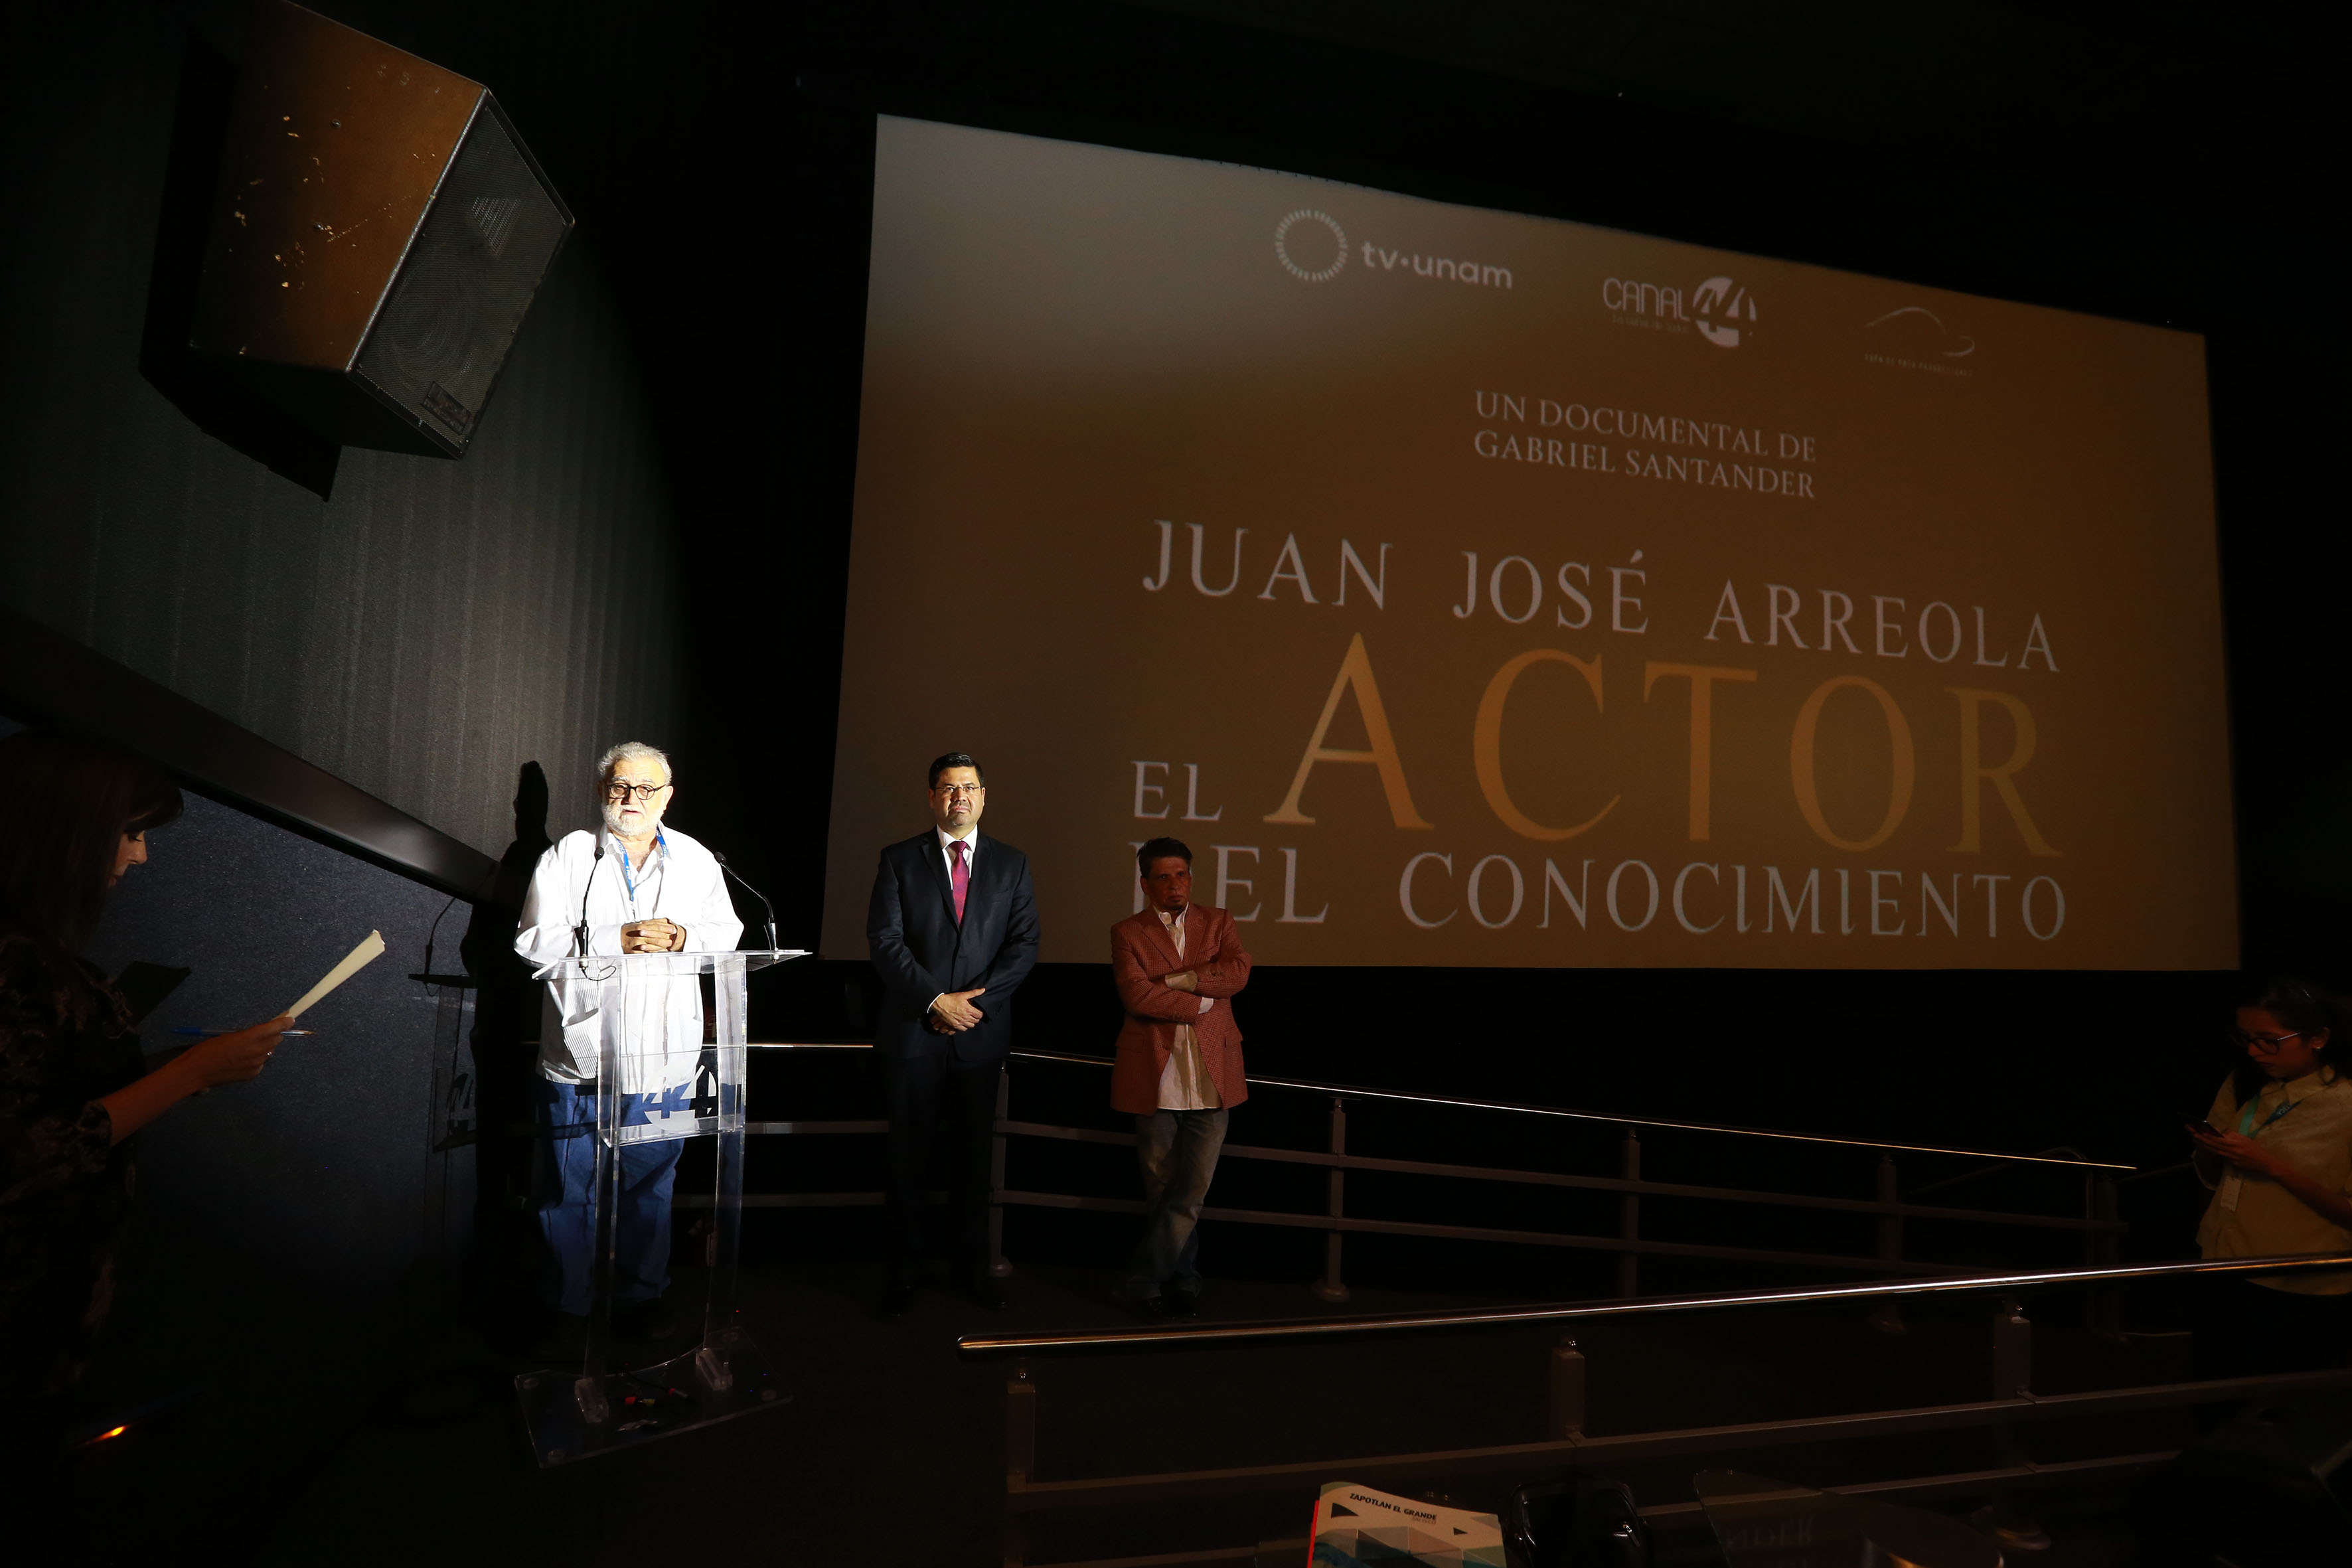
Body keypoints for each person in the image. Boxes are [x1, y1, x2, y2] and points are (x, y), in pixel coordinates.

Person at [0, 729, 288, 1439]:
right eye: (129, 832)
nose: (140, 855)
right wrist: (190, 1072)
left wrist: (178, 1070)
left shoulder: (42, 956)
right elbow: (19, 1151)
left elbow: (62, 1101)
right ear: (67, 828)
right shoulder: (14, 964)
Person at [514, 742, 742, 1350]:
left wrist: (684, 936)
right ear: (601, 791)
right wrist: (615, 938)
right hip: (583, 1060)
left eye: (646, 789)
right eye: (620, 786)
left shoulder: (696, 859)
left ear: (667, 797)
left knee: (650, 1189)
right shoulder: (568, 855)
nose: (631, 798)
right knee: (568, 1193)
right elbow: (533, 941)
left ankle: (640, 1299)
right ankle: (566, 1305)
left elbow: (728, 934)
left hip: (662, 1062)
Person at [866, 752, 1039, 1314]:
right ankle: (902, 1275)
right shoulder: (898, 859)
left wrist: (971, 1007)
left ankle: (972, 1271)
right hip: (913, 1033)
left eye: (968, 787)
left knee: (973, 1160)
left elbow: (1023, 944)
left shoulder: (1012, 863)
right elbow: (885, 941)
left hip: (979, 1037)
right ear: (931, 797)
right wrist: (936, 1000)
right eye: (947, 788)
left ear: (984, 796)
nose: (958, 796)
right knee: (907, 1160)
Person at [1107, 836, 1253, 1318]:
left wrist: (1178, 980)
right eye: (1164, 877)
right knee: (1162, 1193)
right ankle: (1183, 1280)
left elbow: (1237, 973)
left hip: (1213, 1079)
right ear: (1145, 884)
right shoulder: (1128, 932)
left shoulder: (1219, 922)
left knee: (1191, 1193)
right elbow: (1136, 997)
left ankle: (1140, 1280)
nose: (1175, 884)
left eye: (1182, 875)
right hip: (1156, 1078)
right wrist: (1202, 997)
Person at [2189, 977, 2352, 1382]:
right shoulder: (2245, 1082)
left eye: (2269, 1041)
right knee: (2215, 1390)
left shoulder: (2344, 1104)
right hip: (2222, 1260)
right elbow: (2214, 1177)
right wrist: (2211, 1150)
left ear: (2318, 1038)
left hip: (2299, 1281)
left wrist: (2272, 1166)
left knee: (2285, 1399)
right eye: (2246, 1039)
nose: (2253, 1051)